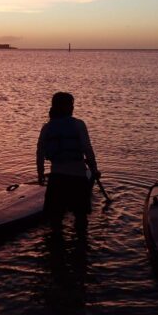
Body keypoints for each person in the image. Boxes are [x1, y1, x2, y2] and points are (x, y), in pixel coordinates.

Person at [37, 92, 101, 233]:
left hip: (57, 179)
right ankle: (81, 248)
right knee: (81, 218)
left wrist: (40, 173)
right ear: (66, 107)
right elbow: (87, 149)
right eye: (71, 105)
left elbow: (40, 152)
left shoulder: (47, 127)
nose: (73, 108)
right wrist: (94, 169)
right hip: (77, 178)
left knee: (55, 221)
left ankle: (56, 250)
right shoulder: (78, 124)